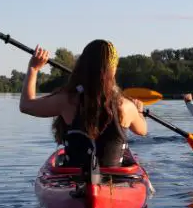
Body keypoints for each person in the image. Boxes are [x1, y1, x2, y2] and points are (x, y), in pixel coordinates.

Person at [19, 40, 147, 168]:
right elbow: (142, 131)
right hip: (114, 180)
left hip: (74, 178)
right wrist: (139, 111)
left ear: (82, 65)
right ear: (113, 70)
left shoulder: (66, 101)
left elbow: (26, 105)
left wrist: (33, 68)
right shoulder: (126, 106)